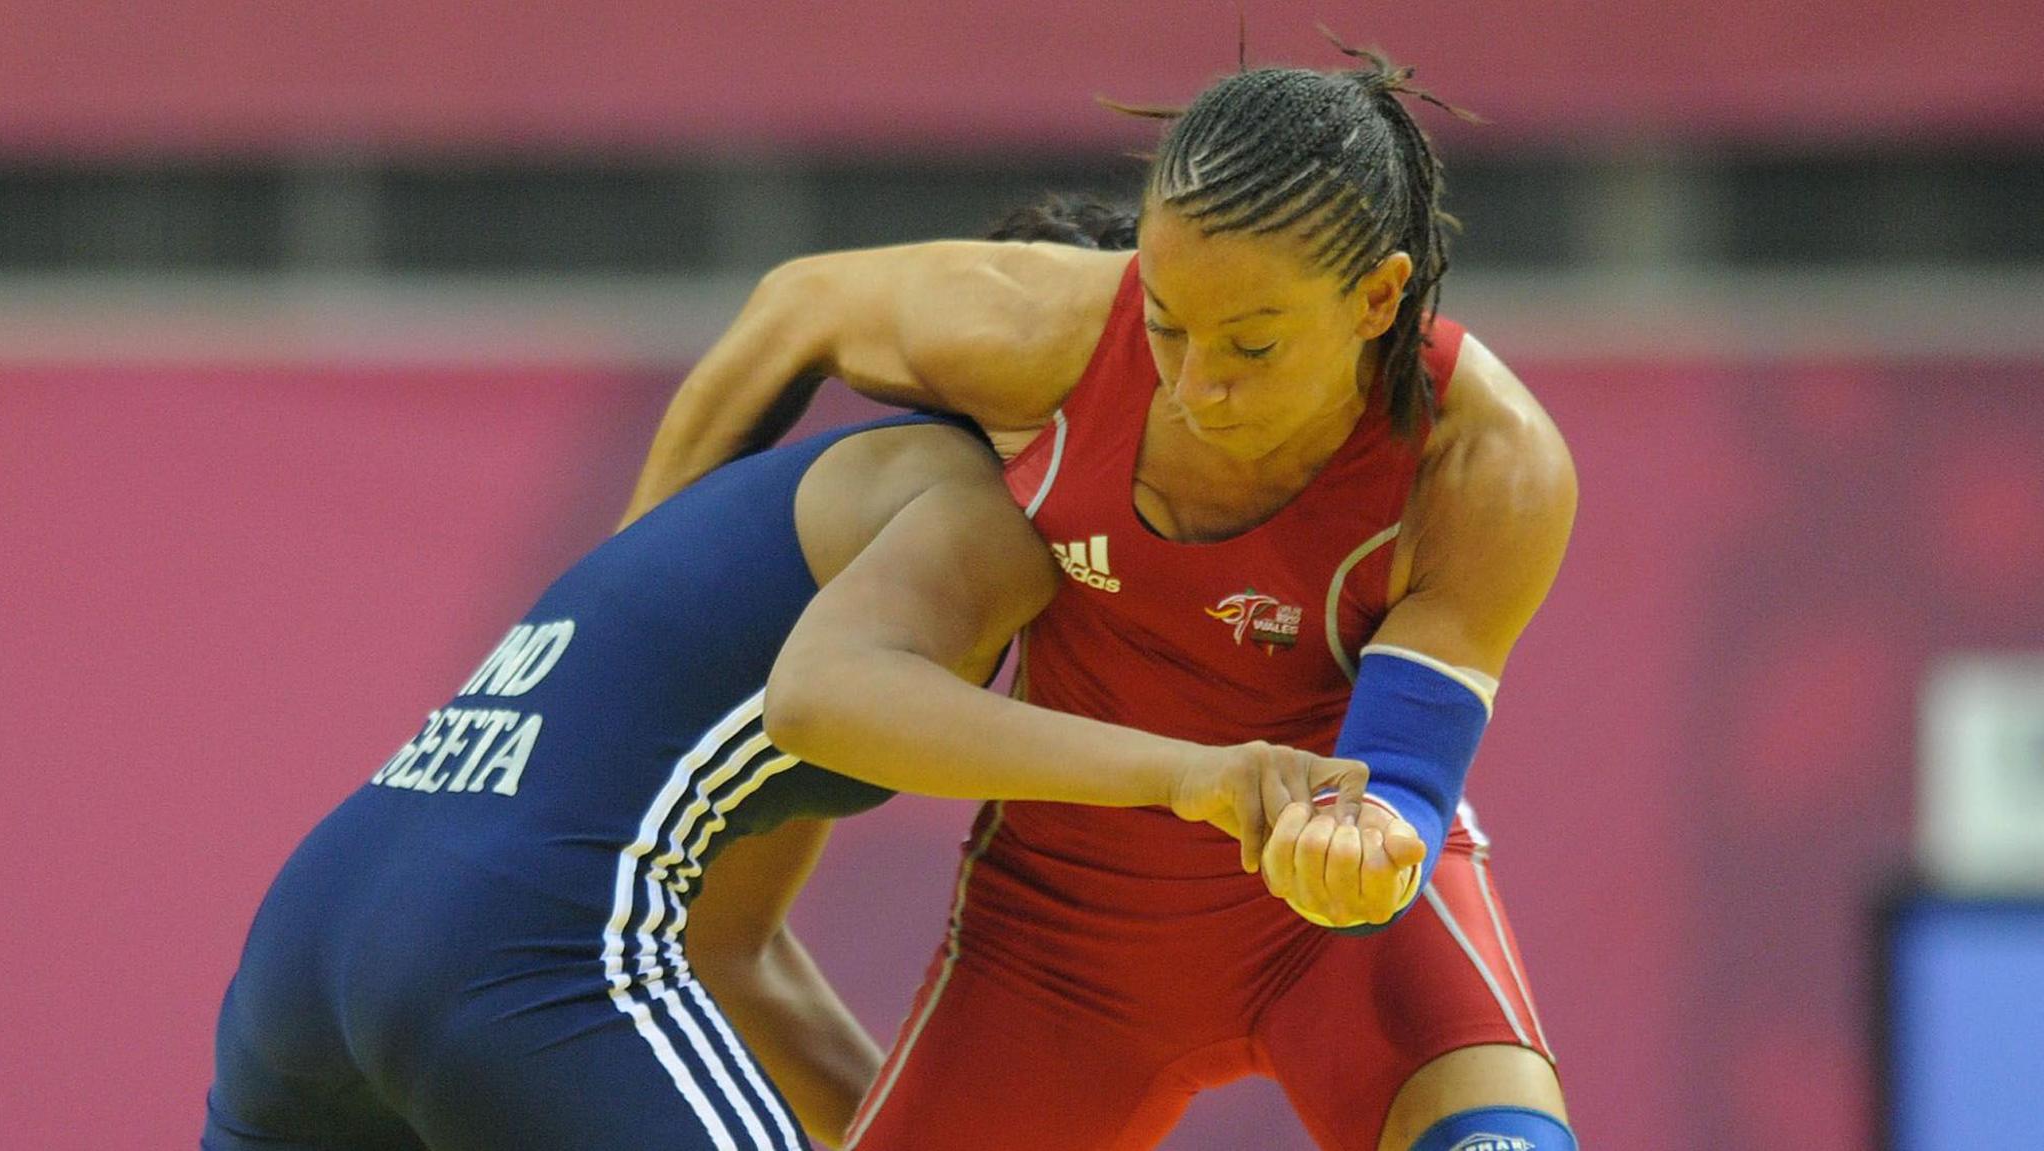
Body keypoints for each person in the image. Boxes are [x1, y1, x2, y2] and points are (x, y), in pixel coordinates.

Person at [624, 49, 1579, 1151]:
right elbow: (795, 308)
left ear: (1376, 296)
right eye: (1165, 320)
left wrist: (1364, 846)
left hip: (1341, 942)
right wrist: (608, 612)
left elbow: (1402, 776)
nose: (1191, 383)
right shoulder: (1056, 332)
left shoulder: (1485, 461)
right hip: (1059, 941)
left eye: (1251, 344)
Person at [203, 412, 1388, 1151]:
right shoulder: (975, 503)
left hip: (316, 932)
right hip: (518, 938)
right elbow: (831, 696)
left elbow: (731, 950)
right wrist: (1194, 774)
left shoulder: (823, 495)